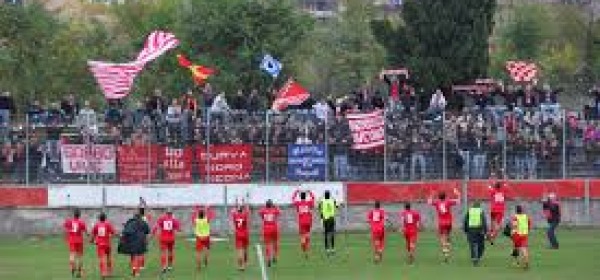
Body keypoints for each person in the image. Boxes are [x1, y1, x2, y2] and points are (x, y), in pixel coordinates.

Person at [428, 188, 460, 262]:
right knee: (448, 236)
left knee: (442, 238)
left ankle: (446, 253)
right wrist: (458, 193)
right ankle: (448, 245)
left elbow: (429, 202)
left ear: (439, 197)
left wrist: (432, 194)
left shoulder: (437, 203)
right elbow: (458, 201)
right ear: (445, 196)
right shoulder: (448, 202)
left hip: (441, 223)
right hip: (449, 223)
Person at [118, 212, 150, 277]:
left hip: (132, 241)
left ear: (134, 217)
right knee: (139, 255)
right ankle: (137, 269)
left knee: (134, 255)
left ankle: (135, 270)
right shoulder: (143, 222)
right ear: (140, 217)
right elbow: (147, 231)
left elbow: (126, 231)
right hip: (141, 241)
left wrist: (122, 237)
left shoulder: (130, 222)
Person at [153, 209, 181, 273]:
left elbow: (156, 226)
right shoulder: (174, 220)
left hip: (163, 238)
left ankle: (164, 266)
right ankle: (170, 266)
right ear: (171, 214)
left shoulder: (161, 219)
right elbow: (178, 229)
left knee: (163, 252)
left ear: (166, 213)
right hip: (171, 238)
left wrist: (153, 232)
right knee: (170, 252)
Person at [90, 212, 116, 279]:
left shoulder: (96, 225)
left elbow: (93, 234)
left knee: (102, 258)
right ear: (105, 218)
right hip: (107, 244)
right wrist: (111, 236)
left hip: (100, 244)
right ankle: (110, 272)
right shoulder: (108, 224)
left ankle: (103, 273)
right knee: (109, 258)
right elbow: (113, 233)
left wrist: (92, 240)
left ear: (99, 218)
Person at [63, 209, 87, 278]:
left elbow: (65, 229)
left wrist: (67, 236)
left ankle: (72, 266)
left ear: (74, 215)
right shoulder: (81, 222)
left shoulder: (69, 221)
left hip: (72, 240)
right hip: (79, 241)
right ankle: (79, 272)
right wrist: (89, 236)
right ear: (79, 215)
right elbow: (85, 231)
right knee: (80, 256)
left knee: (72, 254)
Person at [292, 189, 316, 258]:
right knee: (307, 235)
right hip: (308, 221)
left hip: (301, 221)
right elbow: (313, 198)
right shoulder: (308, 203)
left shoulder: (298, 203)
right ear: (305, 197)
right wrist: (310, 192)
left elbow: (293, 199)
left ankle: (304, 248)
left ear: (300, 197)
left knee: (302, 236)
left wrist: (296, 192)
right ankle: (307, 250)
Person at [463, 201, 488, 266]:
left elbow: (465, 220)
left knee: (473, 244)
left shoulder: (469, 211)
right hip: (479, 229)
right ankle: (478, 257)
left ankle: (474, 258)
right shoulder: (481, 211)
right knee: (481, 245)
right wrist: (485, 231)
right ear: (479, 205)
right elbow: (484, 221)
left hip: (471, 229)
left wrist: (465, 230)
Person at [259, 199, 281, 267]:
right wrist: (275, 206)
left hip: (266, 228)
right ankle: (275, 256)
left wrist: (266, 207)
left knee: (267, 244)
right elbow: (279, 212)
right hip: (274, 227)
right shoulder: (274, 210)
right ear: (271, 205)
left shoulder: (263, 210)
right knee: (275, 242)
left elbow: (260, 214)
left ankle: (268, 258)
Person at [231, 199, 251, 271]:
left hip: (238, 233)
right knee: (245, 248)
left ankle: (241, 266)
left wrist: (236, 203)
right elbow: (247, 209)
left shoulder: (235, 215)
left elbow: (233, 210)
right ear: (242, 210)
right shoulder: (245, 214)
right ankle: (245, 261)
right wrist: (244, 202)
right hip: (245, 233)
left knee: (239, 250)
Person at [319, 190, 339, 257]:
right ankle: (332, 248)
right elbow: (337, 206)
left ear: (324, 195)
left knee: (326, 234)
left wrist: (321, 219)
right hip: (332, 219)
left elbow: (320, 209)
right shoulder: (332, 201)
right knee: (332, 233)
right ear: (329, 195)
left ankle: (327, 249)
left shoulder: (322, 201)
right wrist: (333, 198)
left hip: (325, 219)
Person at [510, 205, 532, 269]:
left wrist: (512, 232)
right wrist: (527, 231)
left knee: (515, 248)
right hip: (524, 234)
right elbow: (529, 224)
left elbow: (514, 226)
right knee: (524, 248)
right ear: (522, 210)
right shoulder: (526, 216)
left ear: (516, 210)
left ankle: (516, 262)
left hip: (517, 234)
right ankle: (526, 262)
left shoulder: (515, 217)